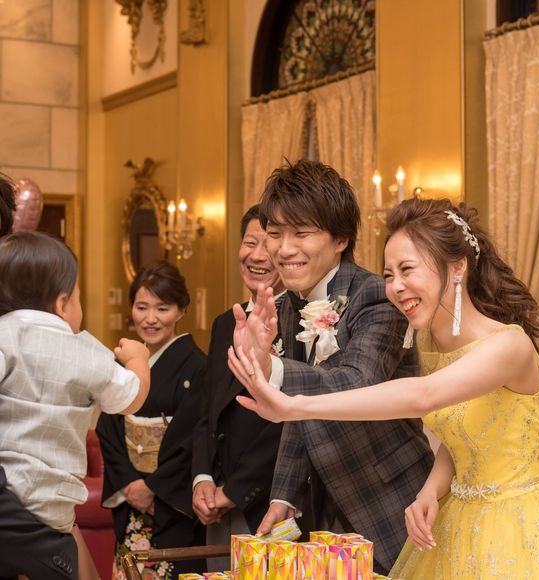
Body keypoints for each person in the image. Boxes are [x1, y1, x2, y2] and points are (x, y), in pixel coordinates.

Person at [230, 197, 539, 578]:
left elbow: (423, 395)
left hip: (522, 525)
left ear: (457, 267)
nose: (396, 287)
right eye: (388, 274)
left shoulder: (509, 345)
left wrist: (293, 406)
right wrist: (430, 490)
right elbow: (464, 434)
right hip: (458, 519)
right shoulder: (435, 344)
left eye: (407, 269)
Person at [231, 160, 434, 573]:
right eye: (275, 234)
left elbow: (358, 383)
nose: (284, 249)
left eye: (301, 233)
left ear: (340, 238)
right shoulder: (288, 305)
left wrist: (272, 369)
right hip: (322, 508)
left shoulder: (377, 296)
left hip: (391, 500)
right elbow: (300, 411)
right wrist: (284, 496)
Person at [0, 231, 150, 580]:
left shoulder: (4, 335)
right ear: (63, 304)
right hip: (50, 510)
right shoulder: (85, 351)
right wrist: (138, 360)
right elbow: (131, 397)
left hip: (6, 495)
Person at [97, 261, 207, 579]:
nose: (150, 318)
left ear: (181, 310)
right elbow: (109, 429)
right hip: (131, 498)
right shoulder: (124, 362)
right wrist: (130, 483)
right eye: (142, 307)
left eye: (162, 308)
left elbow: (192, 439)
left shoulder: (197, 366)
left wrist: (153, 488)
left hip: (169, 503)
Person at [191, 205, 286, 571]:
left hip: (270, 503)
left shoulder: (302, 325)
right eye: (249, 243)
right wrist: (202, 479)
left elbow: (288, 422)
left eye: (269, 244)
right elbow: (207, 410)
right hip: (215, 505)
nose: (257, 256)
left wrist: (234, 491)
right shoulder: (222, 324)